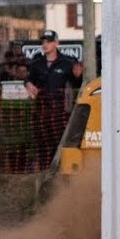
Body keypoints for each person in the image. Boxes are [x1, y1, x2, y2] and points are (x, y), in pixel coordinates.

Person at [25, 29, 84, 171]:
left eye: (49, 42)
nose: (45, 44)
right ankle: (44, 172)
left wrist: (78, 75)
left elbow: (77, 83)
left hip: (60, 112)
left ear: (56, 43)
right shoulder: (36, 63)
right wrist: (28, 84)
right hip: (41, 111)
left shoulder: (67, 63)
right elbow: (28, 79)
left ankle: (60, 171)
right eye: (43, 42)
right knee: (42, 143)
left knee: (60, 141)